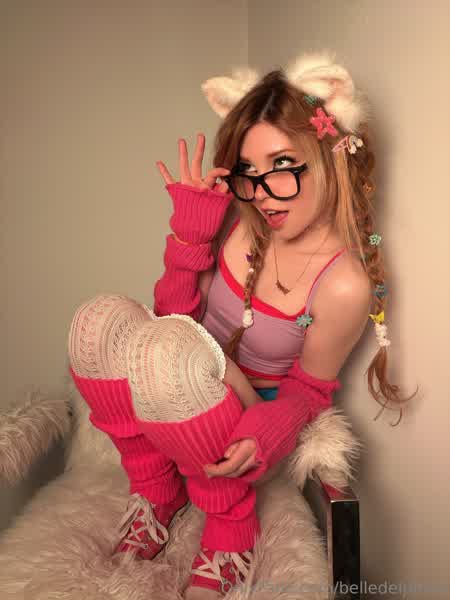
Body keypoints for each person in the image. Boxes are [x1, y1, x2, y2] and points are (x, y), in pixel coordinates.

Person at [67, 51, 417, 599]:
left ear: (330, 158)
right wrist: (189, 236)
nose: (261, 191)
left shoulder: (343, 283)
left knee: (168, 350)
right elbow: (173, 316)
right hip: (176, 382)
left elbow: (308, 391)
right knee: (97, 321)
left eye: (283, 165)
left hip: (245, 420)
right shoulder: (239, 216)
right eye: (249, 172)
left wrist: (267, 432)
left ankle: (231, 531)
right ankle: (157, 489)